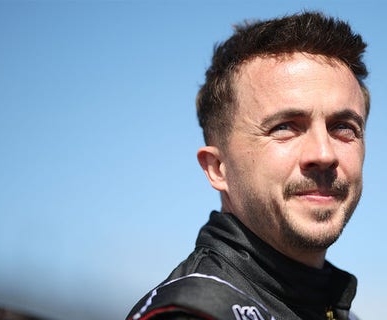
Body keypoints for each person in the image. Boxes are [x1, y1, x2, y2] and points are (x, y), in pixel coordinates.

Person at [127, 11, 370, 320]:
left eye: (343, 128)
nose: (324, 154)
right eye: (284, 127)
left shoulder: (331, 308)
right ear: (217, 168)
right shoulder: (192, 313)